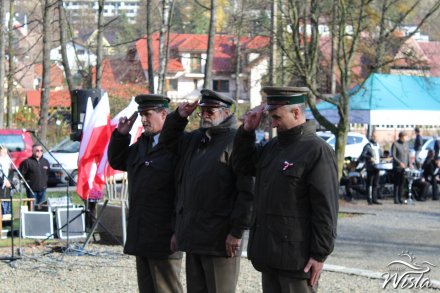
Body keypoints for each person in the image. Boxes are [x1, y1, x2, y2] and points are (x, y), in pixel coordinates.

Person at [233, 86, 338, 292]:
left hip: (297, 259)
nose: (273, 123)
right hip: (269, 254)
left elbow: (325, 209)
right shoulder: (272, 147)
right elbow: (242, 166)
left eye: (277, 117)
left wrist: (319, 254)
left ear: (296, 113)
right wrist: (246, 131)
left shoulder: (316, 150)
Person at [159, 89, 254, 293]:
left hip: (220, 240)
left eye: (211, 111)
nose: (205, 115)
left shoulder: (236, 141)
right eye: (202, 111)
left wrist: (237, 232)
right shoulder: (195, 139)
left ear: (226, 113)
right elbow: (167, 141)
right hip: (194, 236)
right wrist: (179, 117)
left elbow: (247, 192)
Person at [108, 94, 183, 293]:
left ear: (164, 115)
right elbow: (117, 161)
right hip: (141, 233)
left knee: (167, 288)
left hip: (164, 234)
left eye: (147, 114)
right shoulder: (143, 144)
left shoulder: (177, 146)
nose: (143, 119)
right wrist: (121, 135)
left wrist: (178, 229)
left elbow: (183, 192)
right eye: (141, 114)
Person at [359, 132, 382, 205]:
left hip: (377, 166)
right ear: (371, 137)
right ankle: (369, 199)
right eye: (374, 136)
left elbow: (380, 155)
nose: (375, 138)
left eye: (376, 137)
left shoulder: (378, 145)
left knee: (376, 183)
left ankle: (375, 199)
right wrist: (369, 158)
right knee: (370, 184)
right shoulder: (368, 145)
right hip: (370, 167)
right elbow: (363, 155)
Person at [391, 131, 411, 204]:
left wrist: (410, 164)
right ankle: (395, 199)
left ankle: (400, 198)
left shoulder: (406, 144)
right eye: (405, 137)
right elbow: (393, 155)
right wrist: (399, 163)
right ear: (401, 137)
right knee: (397, 183)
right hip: (397, 167)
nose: (406, 138)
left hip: (404, 167)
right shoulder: (395, 144)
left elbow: (408, 154)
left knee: (402, 183)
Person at [0, 145, 14, 215]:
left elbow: (11, 173)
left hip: (7, 187)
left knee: (7, 203)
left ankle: (6, 221)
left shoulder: (8, 161)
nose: (5, 154)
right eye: (3, 152)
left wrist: (9, 181)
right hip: (1, 186)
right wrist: (3, 182)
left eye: (6, 152)